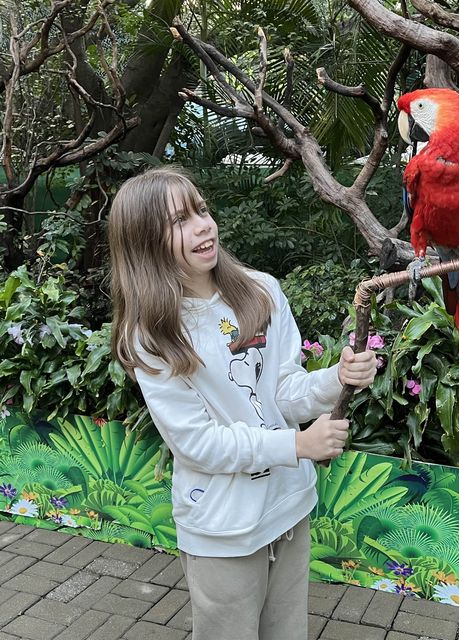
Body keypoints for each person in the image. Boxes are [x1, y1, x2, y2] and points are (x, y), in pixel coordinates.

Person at [107, 166, 377, 640]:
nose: (203, 225)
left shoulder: (261, 291)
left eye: (201, 210)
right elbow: (198, 443)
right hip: (223, 528)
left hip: (288, 506)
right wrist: (295, 446)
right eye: (179, 221)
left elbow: (281, 394)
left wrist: (337, 378)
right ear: (144, 243)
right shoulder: (151, 335)